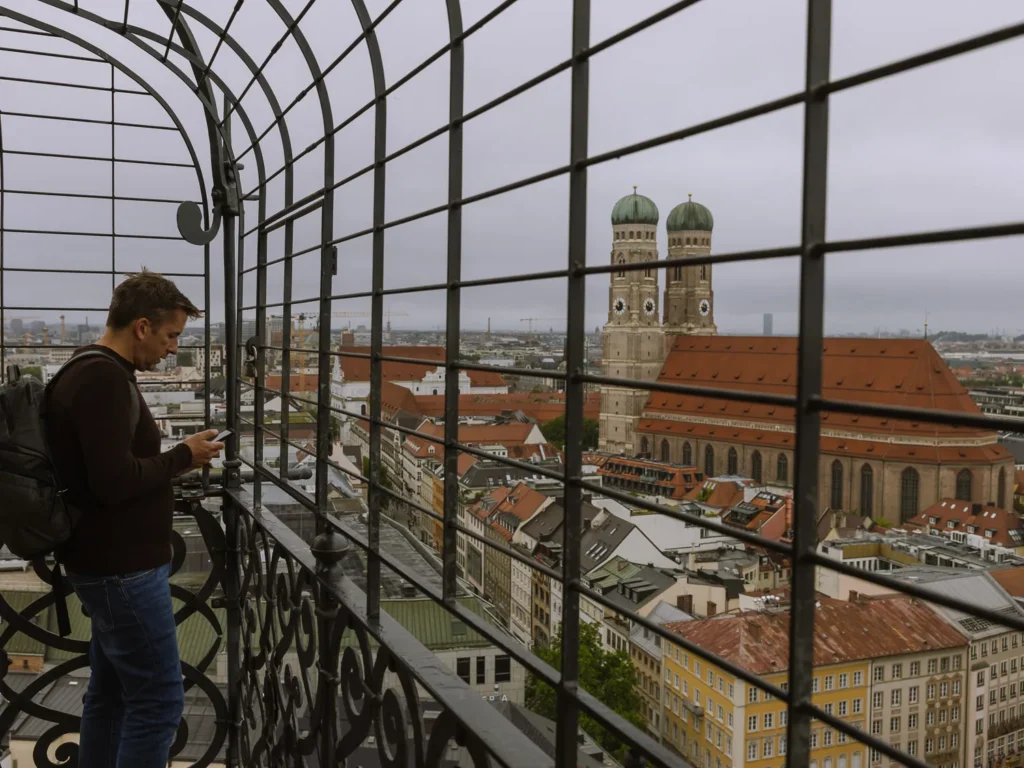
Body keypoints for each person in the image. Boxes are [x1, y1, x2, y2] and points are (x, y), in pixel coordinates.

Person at [46, 270, 225, 768]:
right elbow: (113, 481)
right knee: (159, 700)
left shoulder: (89, 366)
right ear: (142, 327)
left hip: (106, 563)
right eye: (171, 335)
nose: (173, 349)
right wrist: (184, 456)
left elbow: (106, 471)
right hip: (122, 569)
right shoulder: (102, 378)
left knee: (111, 695)